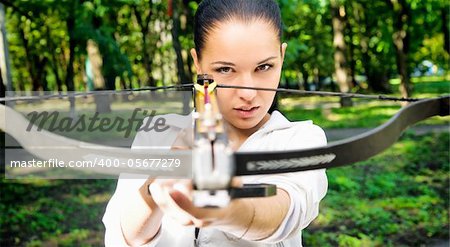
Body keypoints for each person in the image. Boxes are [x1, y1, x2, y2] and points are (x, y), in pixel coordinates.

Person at [102, 0, 328, 246]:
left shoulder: (301, 139)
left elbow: (286, 211)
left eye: (264, 66)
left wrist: (226, 209)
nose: (249, 93)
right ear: (197, 62)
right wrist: (160, 180)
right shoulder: (158, 133)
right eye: (225, 69)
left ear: (281, 56)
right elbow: (123, 237)